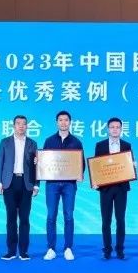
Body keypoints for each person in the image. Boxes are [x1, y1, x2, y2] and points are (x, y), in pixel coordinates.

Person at [0, 114, 39, 261]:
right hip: (9, 183)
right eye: (18, 123)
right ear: (13, 126)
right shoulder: (5, 142)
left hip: (27, 184)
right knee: (11, 217)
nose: (21, 126)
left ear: (27, 126)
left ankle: (24, 251)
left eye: (24, 123)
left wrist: (37, 185)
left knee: (24, 218)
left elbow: (37, 166)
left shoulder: (32, 144)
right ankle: (11, 251)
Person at [42, 110, 84, 261]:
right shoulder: (49, 141)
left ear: (70, 122)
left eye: (66, 120)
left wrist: (79, 174)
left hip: (69, 185)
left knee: (69, 216)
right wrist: (38, 163)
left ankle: (68, 248)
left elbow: (81, 163)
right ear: (56, 122)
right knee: (51, 216)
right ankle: (51, 248)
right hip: (52, 184)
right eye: (60, 120)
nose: (63, 122)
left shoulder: (76, 142)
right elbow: (44, 162)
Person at [93, 117, 133, 260]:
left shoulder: (127, 145)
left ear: (121, 129)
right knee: (106, 221)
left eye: (117, 127)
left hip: (121, 188)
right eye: (112, 127)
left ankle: (120, 249)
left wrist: (132, 167)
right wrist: (96, 181)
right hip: (106, 188)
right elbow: (96, 166)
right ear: (108, 129)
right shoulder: (100, 145)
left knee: (120, 220)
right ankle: (107, 249)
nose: (115, 129)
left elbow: (129, 165)